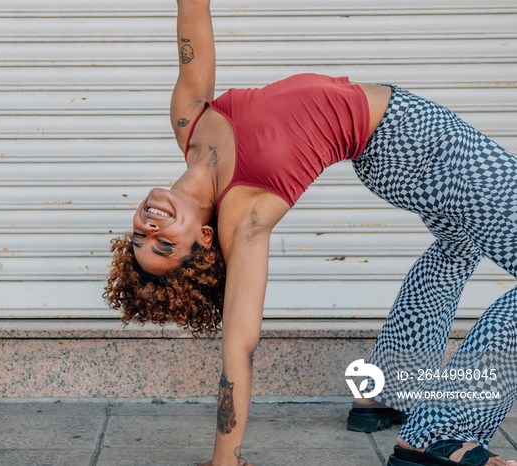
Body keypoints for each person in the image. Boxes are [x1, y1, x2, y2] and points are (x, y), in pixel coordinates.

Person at [103, 1, 517, 465]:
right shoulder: (245, 219)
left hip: (389, 154)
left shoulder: (191, 123)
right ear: (202, 238)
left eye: (140, 237)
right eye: (164, 244)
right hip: (420, 141)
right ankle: (439, 434)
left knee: (456, 248)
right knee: (459, 248)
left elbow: (193, 24)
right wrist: (225, 460)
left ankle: (387, 389)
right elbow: (239, 348)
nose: (149, 227)